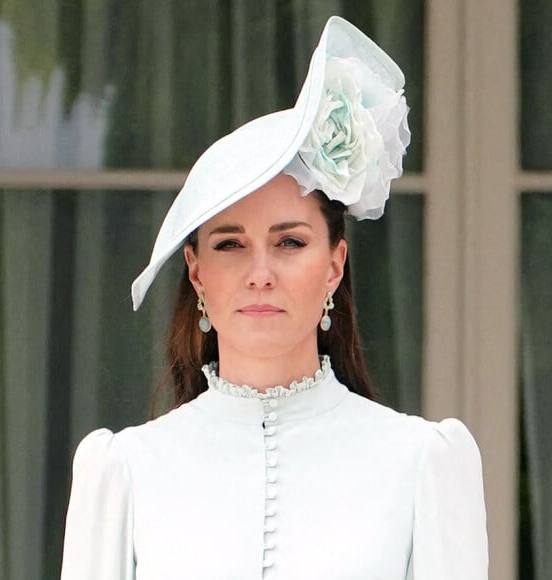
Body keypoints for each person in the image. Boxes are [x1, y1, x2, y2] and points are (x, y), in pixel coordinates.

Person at [60, 16, 488, 580]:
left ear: (335, 265)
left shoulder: (421, 461)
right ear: (196, 273)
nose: (260, 273)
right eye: (231, 244)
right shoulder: (123, 472)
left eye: (289, 241)